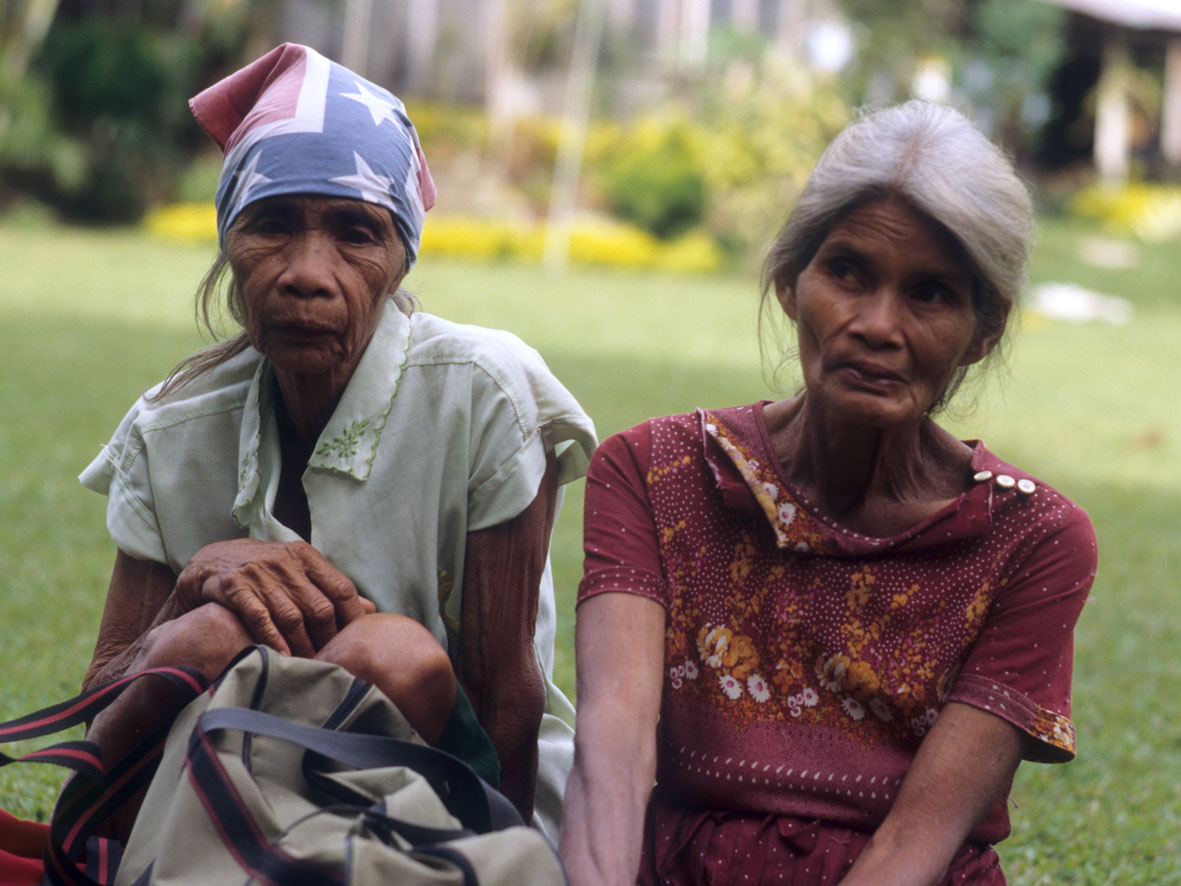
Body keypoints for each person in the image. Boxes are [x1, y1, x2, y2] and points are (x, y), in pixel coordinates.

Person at [559, 101, 1096, 885]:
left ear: (983, 331)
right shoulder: (653, 472)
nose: (876, 325)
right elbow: (612, 755)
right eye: (847, 272)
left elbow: (917, 840)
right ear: (789, 281)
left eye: (930, 293)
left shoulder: (1031, 539)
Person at [78, 43, 595, 843]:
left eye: (355, 233)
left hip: (442, 805)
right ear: (229, 242)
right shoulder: (170, 427)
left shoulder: (482, 391)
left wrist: (501, 864)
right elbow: (104, 710)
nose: (307, 273)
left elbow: (505, 694)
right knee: (207, 633)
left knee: (391, 655)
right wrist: (194, 590)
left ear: (398, 260)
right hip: (211, 803)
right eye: (271, 226)